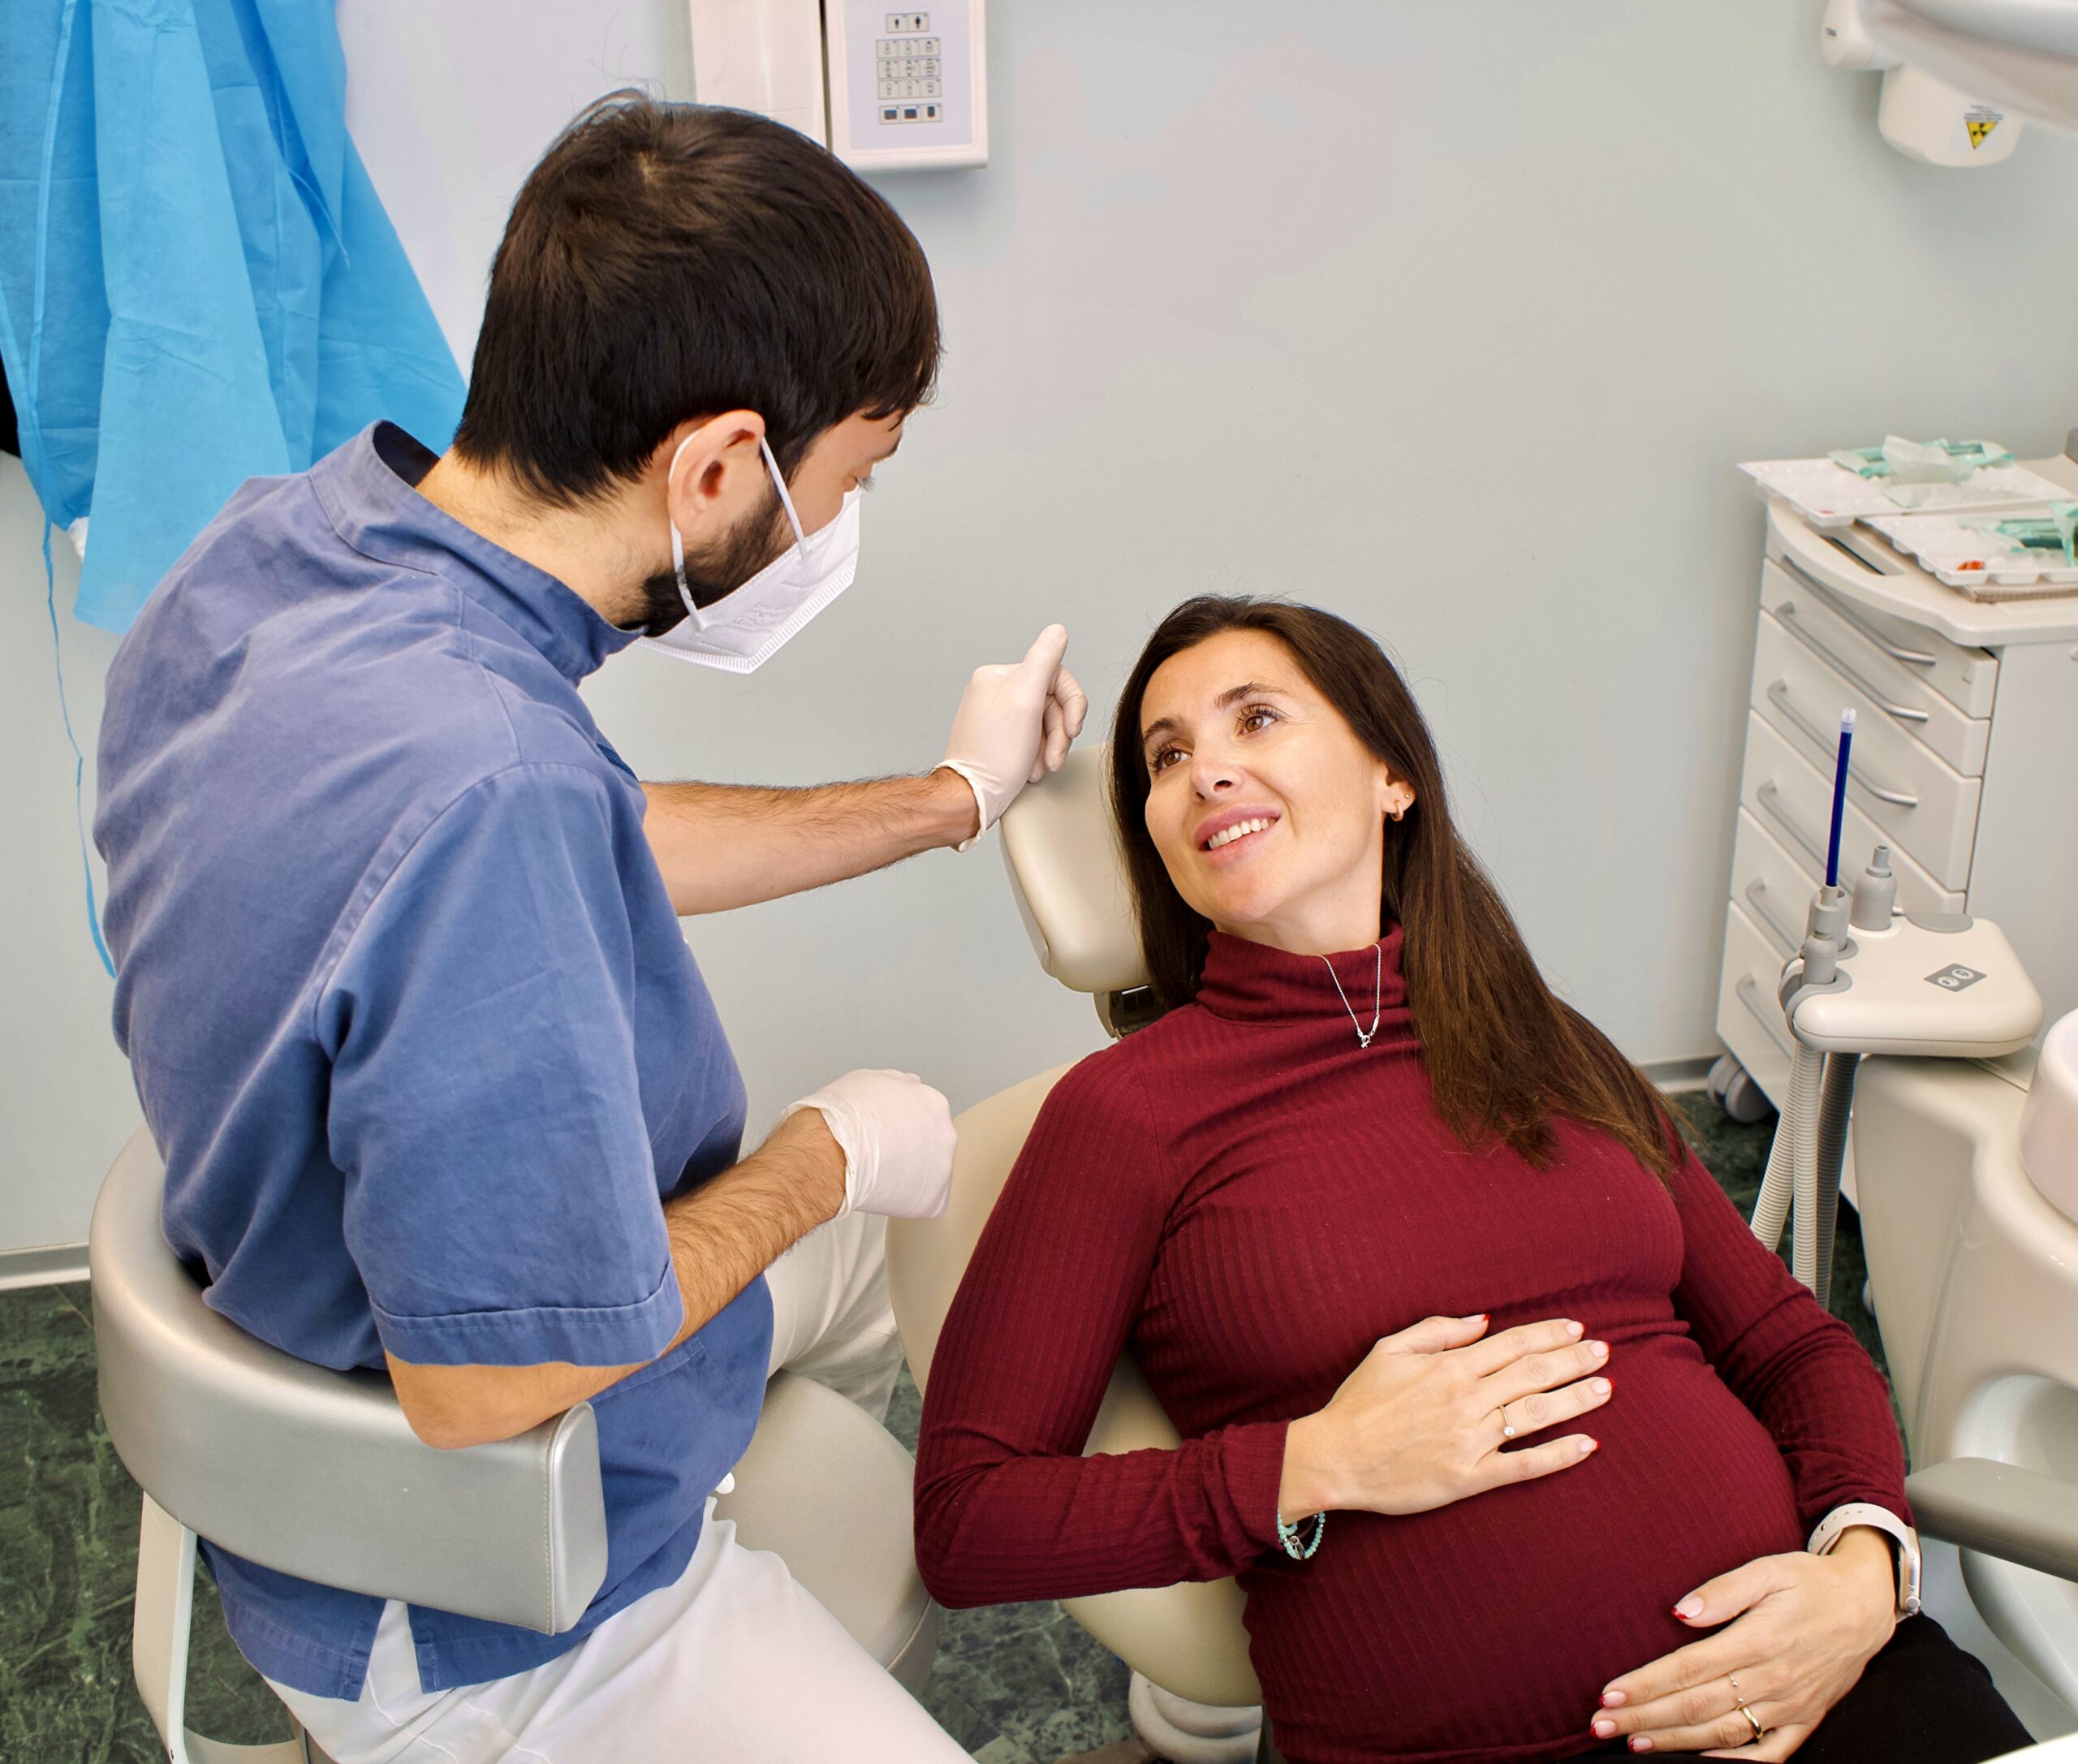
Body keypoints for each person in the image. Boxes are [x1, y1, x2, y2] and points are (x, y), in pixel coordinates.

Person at [94, 97, 1086, 1763]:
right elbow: (498, 1382)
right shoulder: (490, 795)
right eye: (843, 481)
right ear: (712, 467)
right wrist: (818, 1160)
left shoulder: (286, 557)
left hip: (328, 1318)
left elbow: (570, 834)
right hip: (492, 1595)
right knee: (857, 1201)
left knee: (915, 1230)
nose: (834, 532)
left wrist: (948, 798)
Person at [913, 596, 2034, 1764]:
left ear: (1393, 775)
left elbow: (1792, 1343)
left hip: (1819, 1681)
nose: (1206, 773)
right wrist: (1318, 1460)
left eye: (1256, 719)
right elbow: (967, 1517)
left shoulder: (1544, 1037)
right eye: (1168, 754)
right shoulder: (1126, 1115)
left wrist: (1865, 1567)